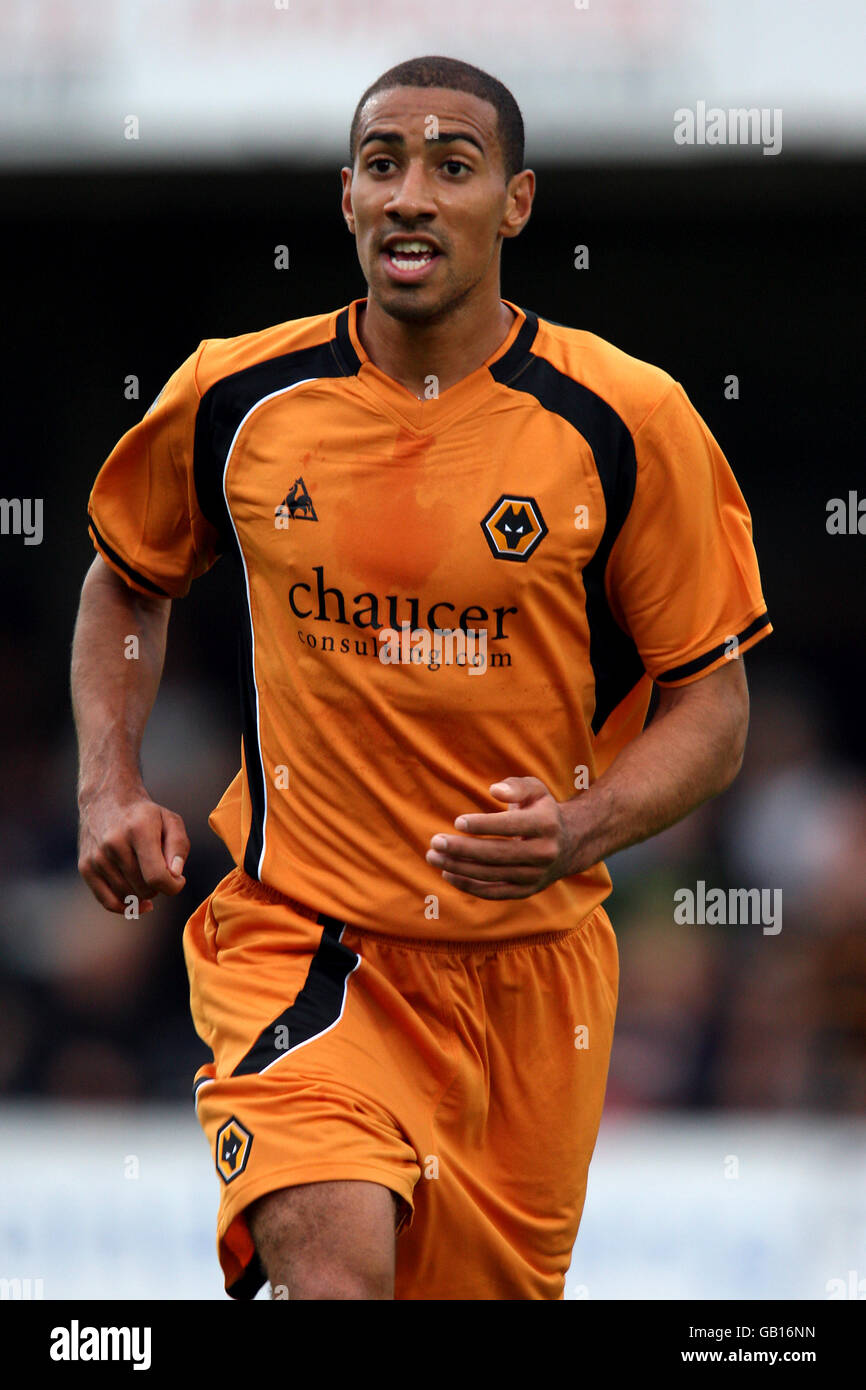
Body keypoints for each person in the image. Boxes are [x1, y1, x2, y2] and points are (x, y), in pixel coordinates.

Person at [71, 55, 772, 1300]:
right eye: (384, 166)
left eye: (452, 167)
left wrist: (581, 827)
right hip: (305, 942)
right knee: (333, 1277)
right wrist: (108, 785)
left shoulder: (627, 418)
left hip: (533, 977)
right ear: (345, 199)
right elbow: (128, 579)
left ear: (515, 203)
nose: (411, 195)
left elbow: (711, 709)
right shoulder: (236, 392)